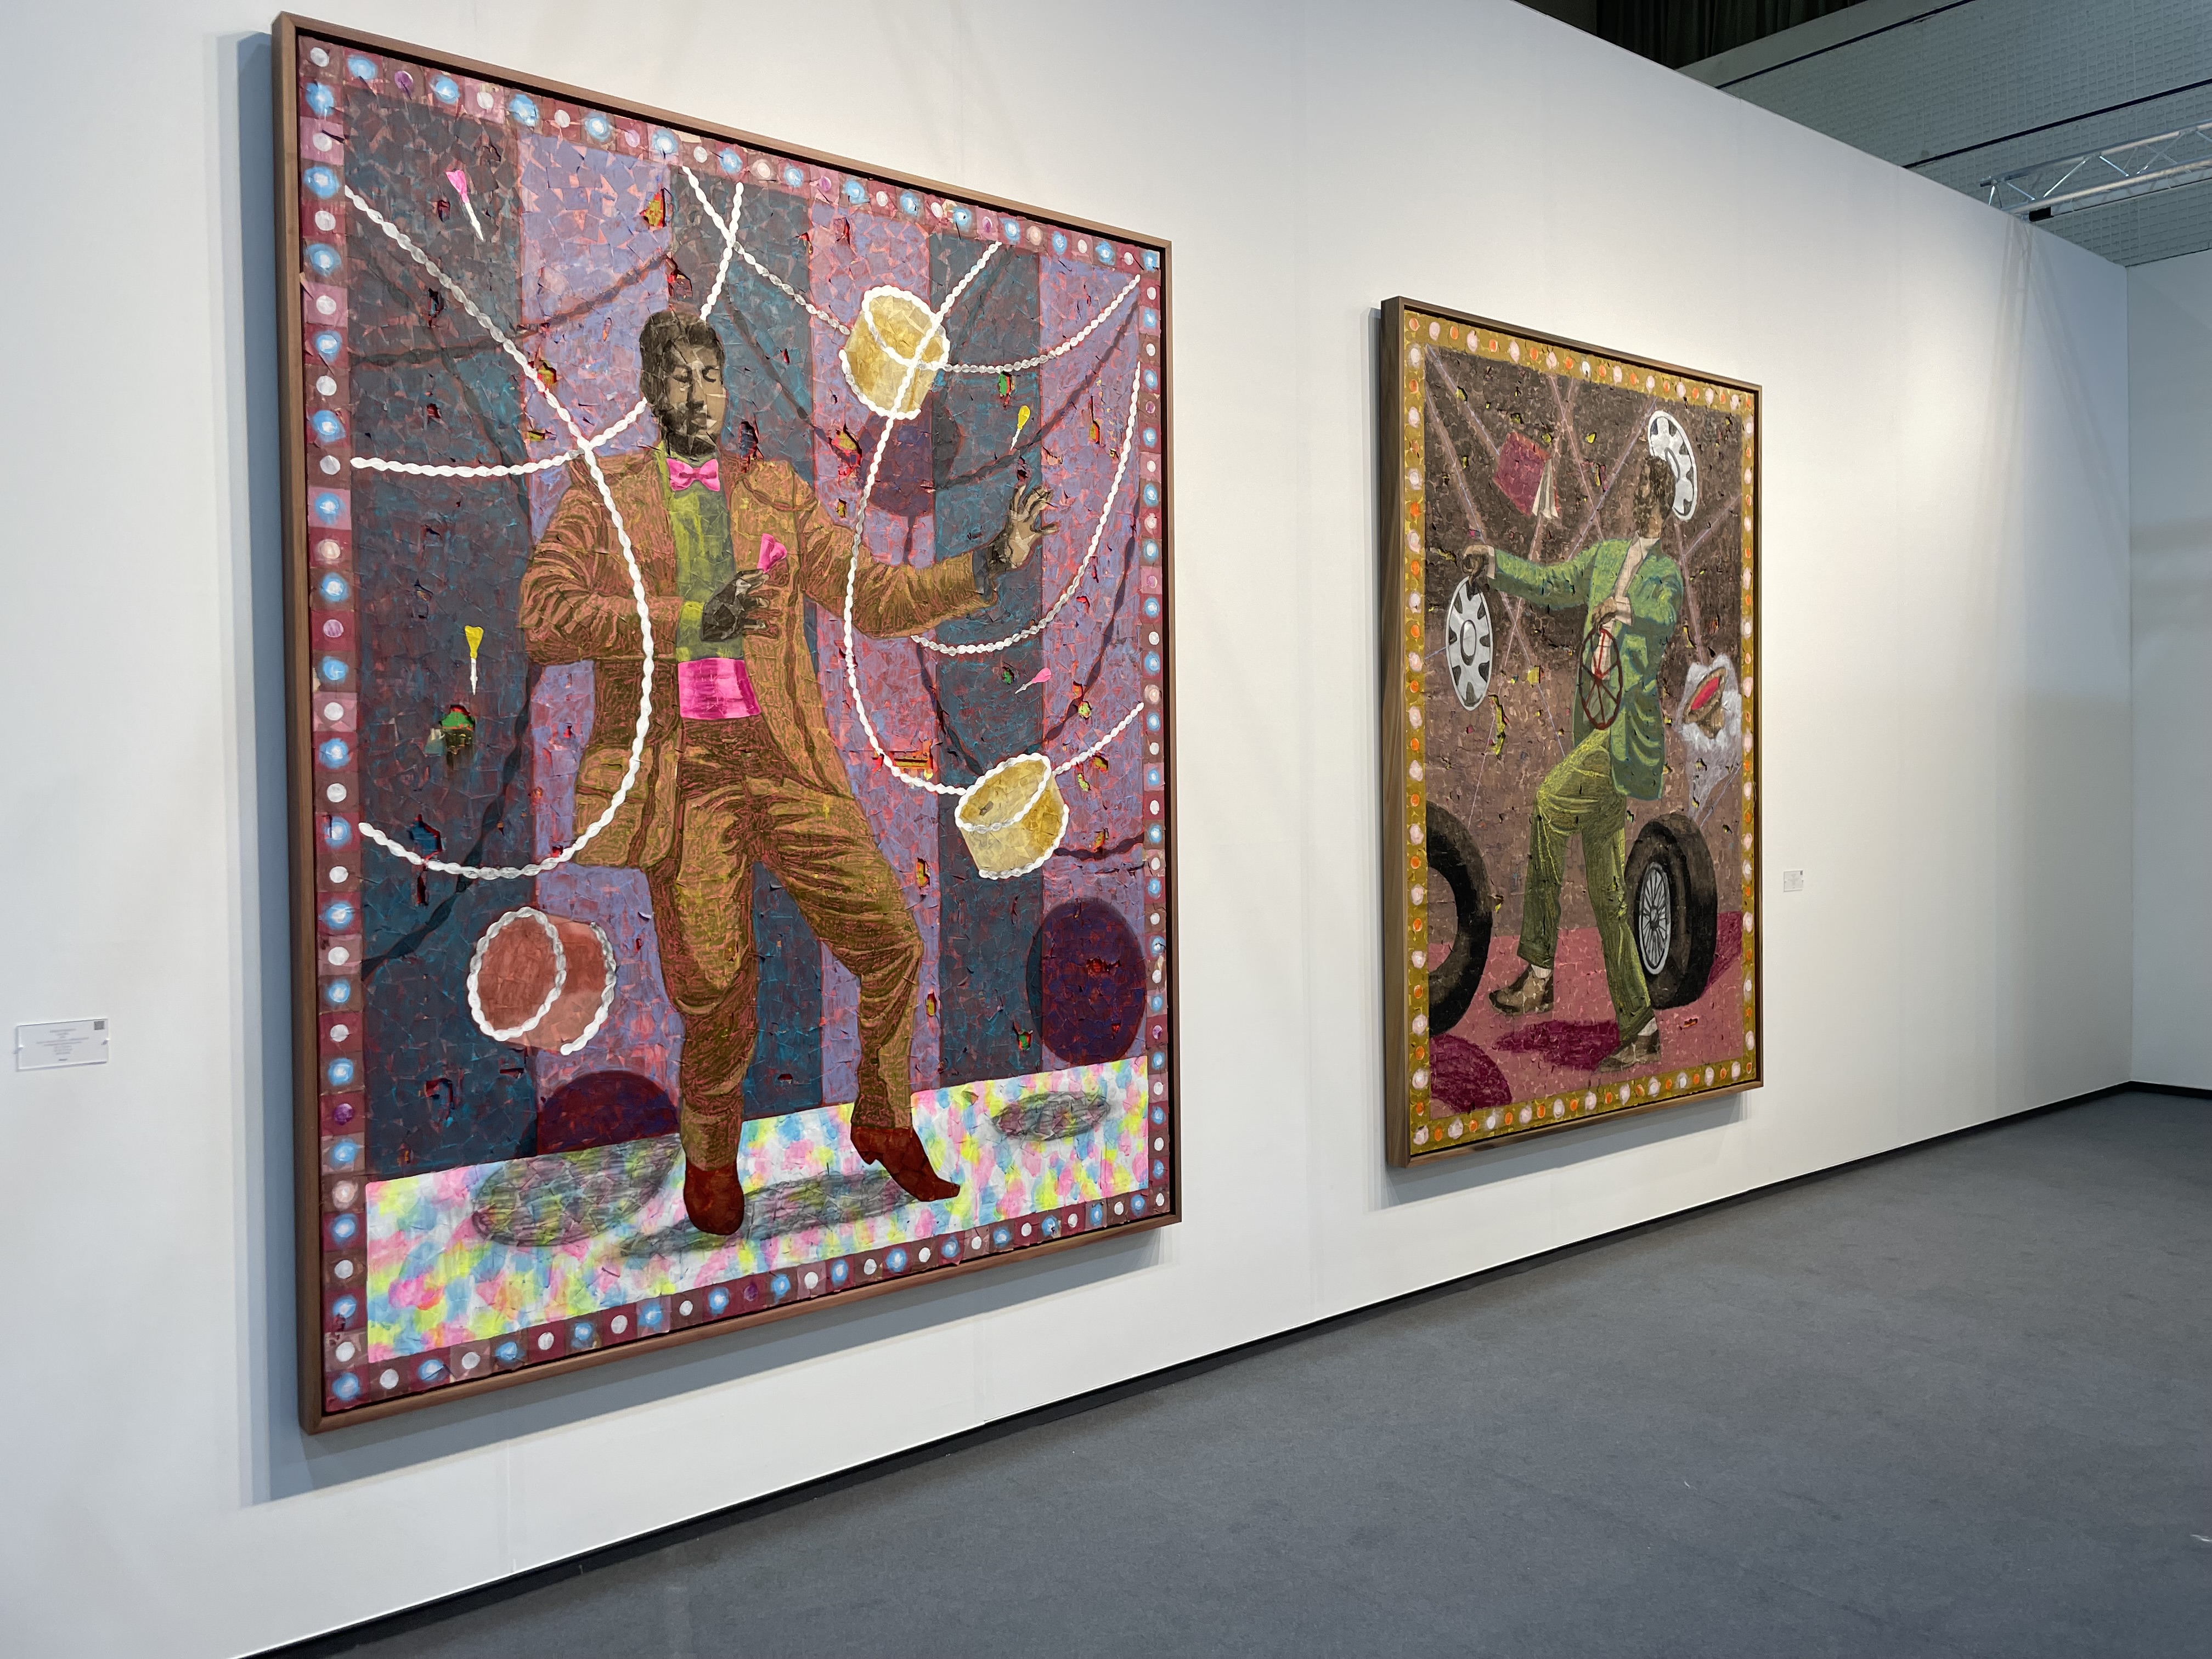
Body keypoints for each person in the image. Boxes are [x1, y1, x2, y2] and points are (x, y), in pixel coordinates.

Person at [520, 308, 1054, 1233]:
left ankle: (882, 1116)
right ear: (653, 392)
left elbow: (873, 597)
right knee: (716, 991)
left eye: (710, 376)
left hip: (783, 763)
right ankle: (710, 1159)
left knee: (891, 942)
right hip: (685, 778)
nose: (699, 394)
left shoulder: (777, 493)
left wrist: (991, 563)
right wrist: (690, 620)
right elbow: (543, 614)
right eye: (680, 377)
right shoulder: (607, 495)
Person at [1471, 444, 1685, 1072]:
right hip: (1594, 727)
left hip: (1622, 741)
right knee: (1609, 896)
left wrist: (1628, 609)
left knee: (1547, 803)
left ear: (1663, 502)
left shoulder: (1665, 575)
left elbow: (1663, 618)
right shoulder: (1605, 556)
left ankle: (1540, 971)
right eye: (1636, 490)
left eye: (1647, 491)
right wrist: (1495, 565)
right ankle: (1642, 1028)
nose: (1638, 499)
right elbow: (1550, 582)